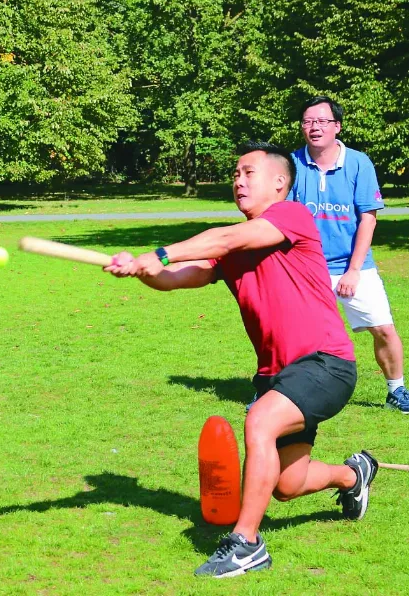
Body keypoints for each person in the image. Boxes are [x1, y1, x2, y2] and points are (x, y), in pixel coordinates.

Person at [105, 141, 376, 579]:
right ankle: (353, 475)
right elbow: (178, 278)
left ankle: (247, 543)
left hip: (326, 362)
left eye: (248, 172)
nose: (238, 180)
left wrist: (158, 253)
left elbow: (226, 238)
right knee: (288, 485)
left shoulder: (291, 216)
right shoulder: (229, 248)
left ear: (279, 183)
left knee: (259, 423)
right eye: (235, 173)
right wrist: (143, 270)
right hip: (276, 374)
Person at [291, 96, 409, 414]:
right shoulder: (291, 163)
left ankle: (397, 390)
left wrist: (352, 271)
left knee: (383, 329)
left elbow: (368, 218)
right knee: (288, 331)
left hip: (353, 265)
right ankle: (274, 390)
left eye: (322, 121)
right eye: (308, 121)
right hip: (306, 267)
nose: (314, 127)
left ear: (337, 126)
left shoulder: (359, 163)